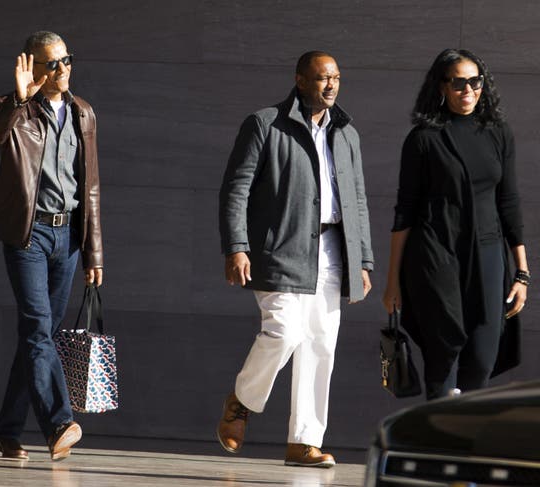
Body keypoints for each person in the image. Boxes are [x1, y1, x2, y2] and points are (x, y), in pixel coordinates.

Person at [217, 51, 373, 467]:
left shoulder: (346, 132)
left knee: (321, 345)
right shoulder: (265, 124)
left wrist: (363, 260)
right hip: (280, 249)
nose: (331, 85)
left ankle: (304, 441)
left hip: (331, 252)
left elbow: (356, 200)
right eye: (323, 78)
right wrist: (236, 245)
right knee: (284, 333)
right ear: (301, 80)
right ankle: (241, 401)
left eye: (337, 77)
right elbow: (237, 189)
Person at [0, 30, 103, 461]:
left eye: (67, 59)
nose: (63, 69)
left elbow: (90, 189)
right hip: (27, 235)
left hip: (68, 236)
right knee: (36, 328)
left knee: (41, 336)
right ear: (33, 66)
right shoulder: (11, 108)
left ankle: (7, 432)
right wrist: (16, 99)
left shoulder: (83, 113)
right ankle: (59, 423)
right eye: (52, 63)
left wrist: (93, 252)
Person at [382, 48, 529, 400]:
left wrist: (522, 272)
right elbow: (405, 211)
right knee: (443, 354)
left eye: (475, 82)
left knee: (482, 356)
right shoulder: (423, 138)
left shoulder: (498, 133)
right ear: (442, 87)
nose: (468, 91)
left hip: (489, 254)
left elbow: (508, 202)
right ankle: (438, 444)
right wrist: (393, 281)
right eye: (458, 83)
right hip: (436, 255)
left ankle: (464, 441)